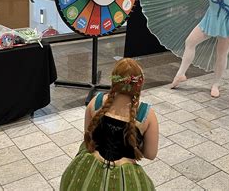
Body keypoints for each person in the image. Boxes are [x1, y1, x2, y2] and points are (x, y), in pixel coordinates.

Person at [60, 58, 158, 190]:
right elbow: (150, 154)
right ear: (139, 83)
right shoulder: (147, 114)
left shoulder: (97, 102)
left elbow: (88, 137)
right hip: (126, 176)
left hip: (88, 170)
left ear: (113, 81)